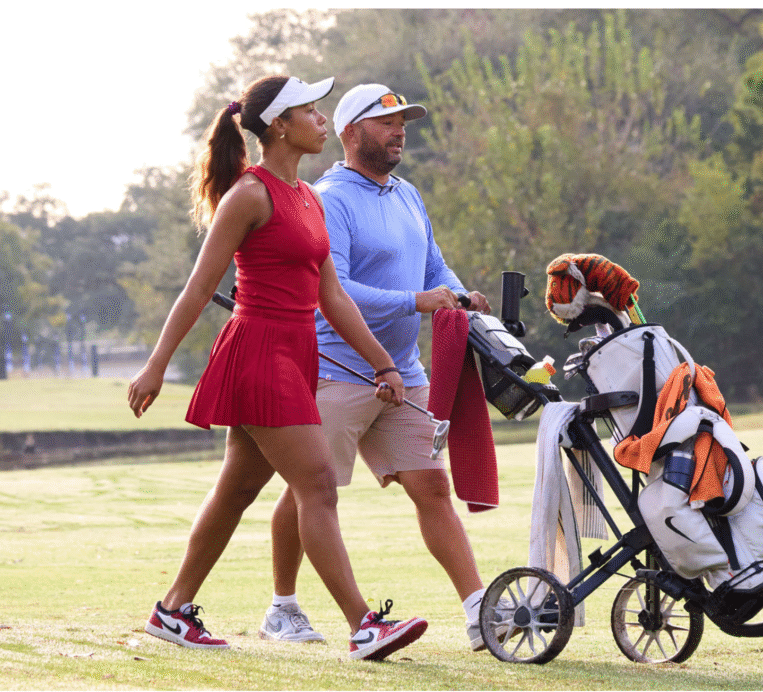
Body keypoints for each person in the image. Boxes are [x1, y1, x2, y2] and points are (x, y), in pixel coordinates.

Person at [127, 74, 427, 661]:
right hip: (258, 353)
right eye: (310, 111)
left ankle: (172, 610)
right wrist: (156, 365)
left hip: (295, 352)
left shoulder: (310, 197)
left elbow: (331, 296)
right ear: (280, 125)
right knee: (317, 484)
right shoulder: (249, 194)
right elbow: (198, 288)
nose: (322, 120)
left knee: (237, 489)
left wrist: (383, 364)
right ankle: (363, 625)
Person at [258, 83, 499, 651]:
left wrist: (460, 297)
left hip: (403, 371)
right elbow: (335, 291)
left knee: (432, 487)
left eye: (403, 123)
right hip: (336, 370)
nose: (399, 132)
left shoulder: (407, 194)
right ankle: (283, 608)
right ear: (351, 132)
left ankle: (479, 613)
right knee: (308, 490)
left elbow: (434, 268)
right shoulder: (329, 198)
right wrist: (419, 302)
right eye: (386, 122)